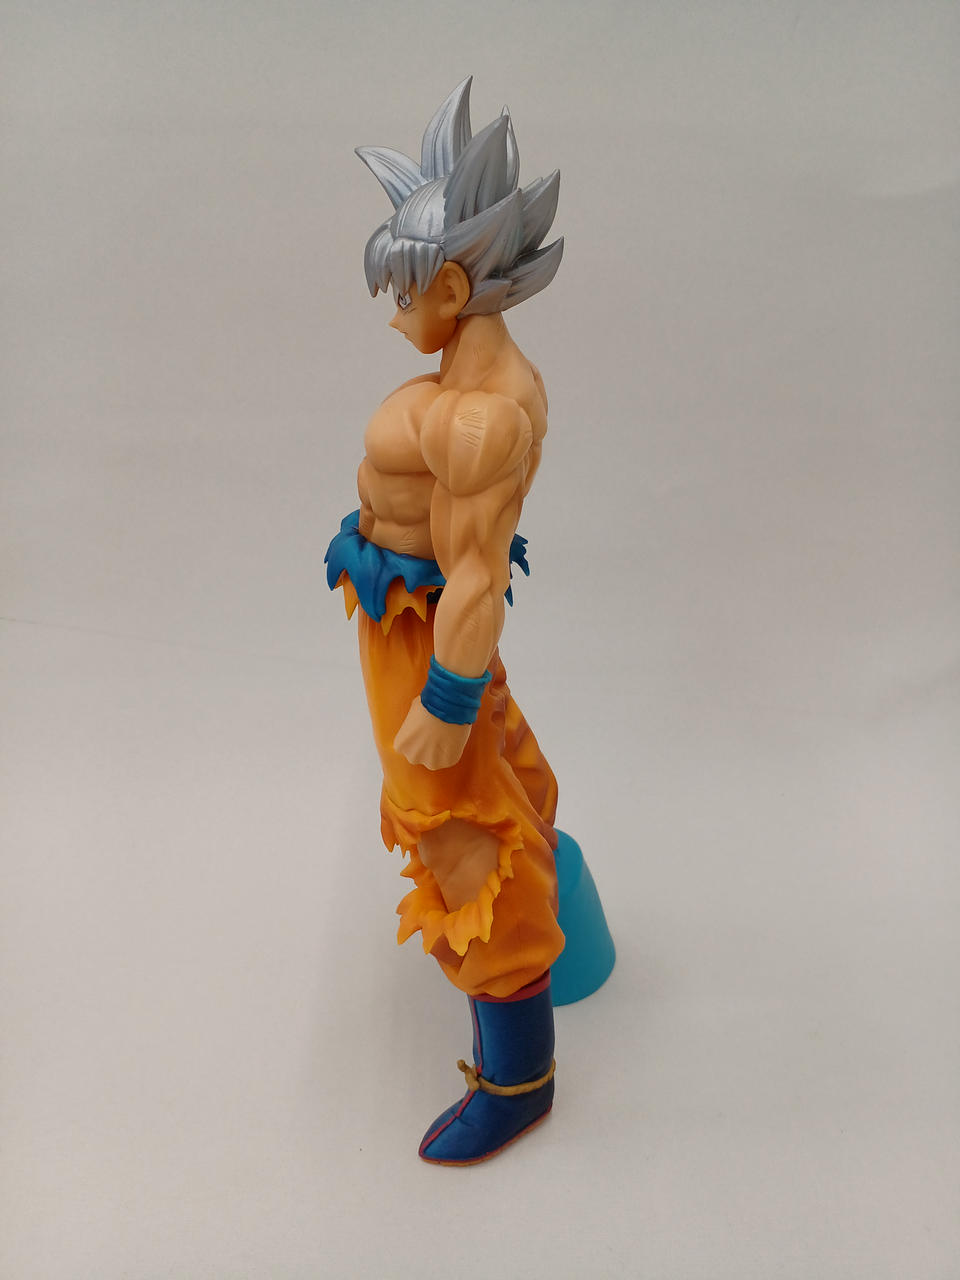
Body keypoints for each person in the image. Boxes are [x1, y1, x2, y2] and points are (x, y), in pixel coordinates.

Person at [325, 78, 565, 1164]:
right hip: (404, 609)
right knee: (515, 775)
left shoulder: (477, 416)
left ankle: (518, 1075)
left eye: (405, 288)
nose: (395, 313)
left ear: (454, 284)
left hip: (427, 633)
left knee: (456, 828)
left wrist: (447, 696)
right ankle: (572, 930)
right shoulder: (466, 382)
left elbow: (475, 573)